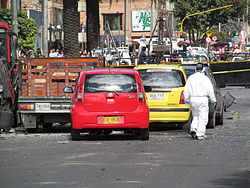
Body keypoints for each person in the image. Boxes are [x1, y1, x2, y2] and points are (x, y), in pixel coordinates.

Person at [183, 63, 217, 140]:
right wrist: (213, 100)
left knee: (195, 115)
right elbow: (210, 90)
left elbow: (186, 90)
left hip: (193, 99)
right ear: (203, 69)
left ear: (196, 69)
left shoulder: (191, 78)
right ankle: (200, 134)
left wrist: (186, 99)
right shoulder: (205, 78)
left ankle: (193, 128)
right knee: (203, 117)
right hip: (203, 99)